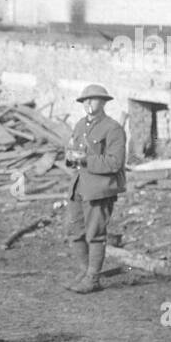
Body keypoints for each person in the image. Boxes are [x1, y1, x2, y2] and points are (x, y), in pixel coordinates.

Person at [64, 84, 127, 293]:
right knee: (75, 232)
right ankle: (84, 272)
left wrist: (86, 159)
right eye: (85, 100)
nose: (88, 104)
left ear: (104, 103)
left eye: (93, 100)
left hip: (99, 189)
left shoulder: (112, 128)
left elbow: (115, 162)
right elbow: (72, 150)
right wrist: (70, 157)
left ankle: (93, 278)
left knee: (95, 234)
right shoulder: (80, 125)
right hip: (79, 186)